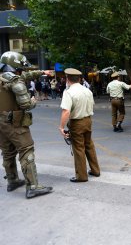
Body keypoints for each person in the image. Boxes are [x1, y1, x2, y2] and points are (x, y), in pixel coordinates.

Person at [0, 51, 53, 199]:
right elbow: (26, 105)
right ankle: (33, 186)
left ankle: (12, 180)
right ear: (15, 66)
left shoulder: (3, 78)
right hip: (15, 123)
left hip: (1, 124)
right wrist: (33, 101)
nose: (23, 71)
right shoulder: (15, 82)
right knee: (26, 150)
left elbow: (24, 76)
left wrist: (40, 72)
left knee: (8, 152)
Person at [59, 68, 100, 182]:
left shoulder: (68, 92)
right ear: (79, 79)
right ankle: (95, 170)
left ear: (67, 79)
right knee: (89, 146)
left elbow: (66, 111)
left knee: (78, 148)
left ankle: (81, 176)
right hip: (88, 120)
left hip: (77, 123)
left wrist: (61, 127)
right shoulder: (87, 91)